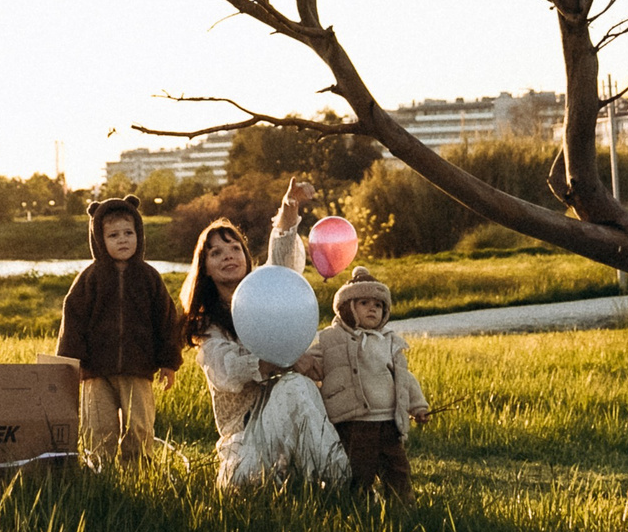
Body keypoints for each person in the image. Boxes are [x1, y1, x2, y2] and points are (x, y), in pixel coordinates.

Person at [178, 179, 348, 490]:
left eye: (234, 248)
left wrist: (289, 207)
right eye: (216, 253)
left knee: (296, 386)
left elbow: (281, 263)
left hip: (288, 411)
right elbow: (227, 371)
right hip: (245, 435)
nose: (229, 256)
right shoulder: (209, 326)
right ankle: (313, 480)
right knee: (247, 482)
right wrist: (289, 360)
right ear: (205, 268)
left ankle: (337, 482)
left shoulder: (263, 294)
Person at [54, 194, 183, 466]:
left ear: (139, 234)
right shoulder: (90, 278)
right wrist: (70, 364)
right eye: (113, 235)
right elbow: (73, 321)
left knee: (139, 424)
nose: (123, 240)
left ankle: (138, 469)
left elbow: (166, 320)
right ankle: (101, 470)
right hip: (96, 370)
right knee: (99, 426)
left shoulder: (149, 277)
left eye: (128, 232)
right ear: (99, 240)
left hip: (138, 367)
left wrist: (169, 362)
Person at [296, 266, 430, 505]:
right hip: (353, 421)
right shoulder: (330, 339)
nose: (372, 308)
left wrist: (418, 406)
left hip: (388, 421)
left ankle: (402, 505)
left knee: (397, 467)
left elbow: (404, 378)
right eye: (364, 303)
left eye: (378, 305)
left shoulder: (389, 342)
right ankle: (358, 507)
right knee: (358, 468)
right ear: (348, 308)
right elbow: (312, 363)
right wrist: (296, 362)